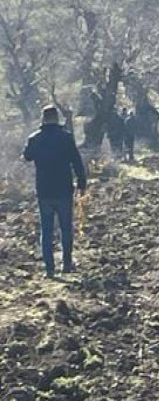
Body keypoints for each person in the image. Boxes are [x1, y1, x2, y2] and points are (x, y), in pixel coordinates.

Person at [22, 107, 87, 277]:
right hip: (64, 189)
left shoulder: (35, 138)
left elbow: (27, 156)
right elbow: (76, 161)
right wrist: (82, 182)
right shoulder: (66, 138)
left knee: (47, 230)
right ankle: (66, 264)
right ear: (57, 118)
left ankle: (49, 269)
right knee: (66, 228)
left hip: (44, 190)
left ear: (43, 119)